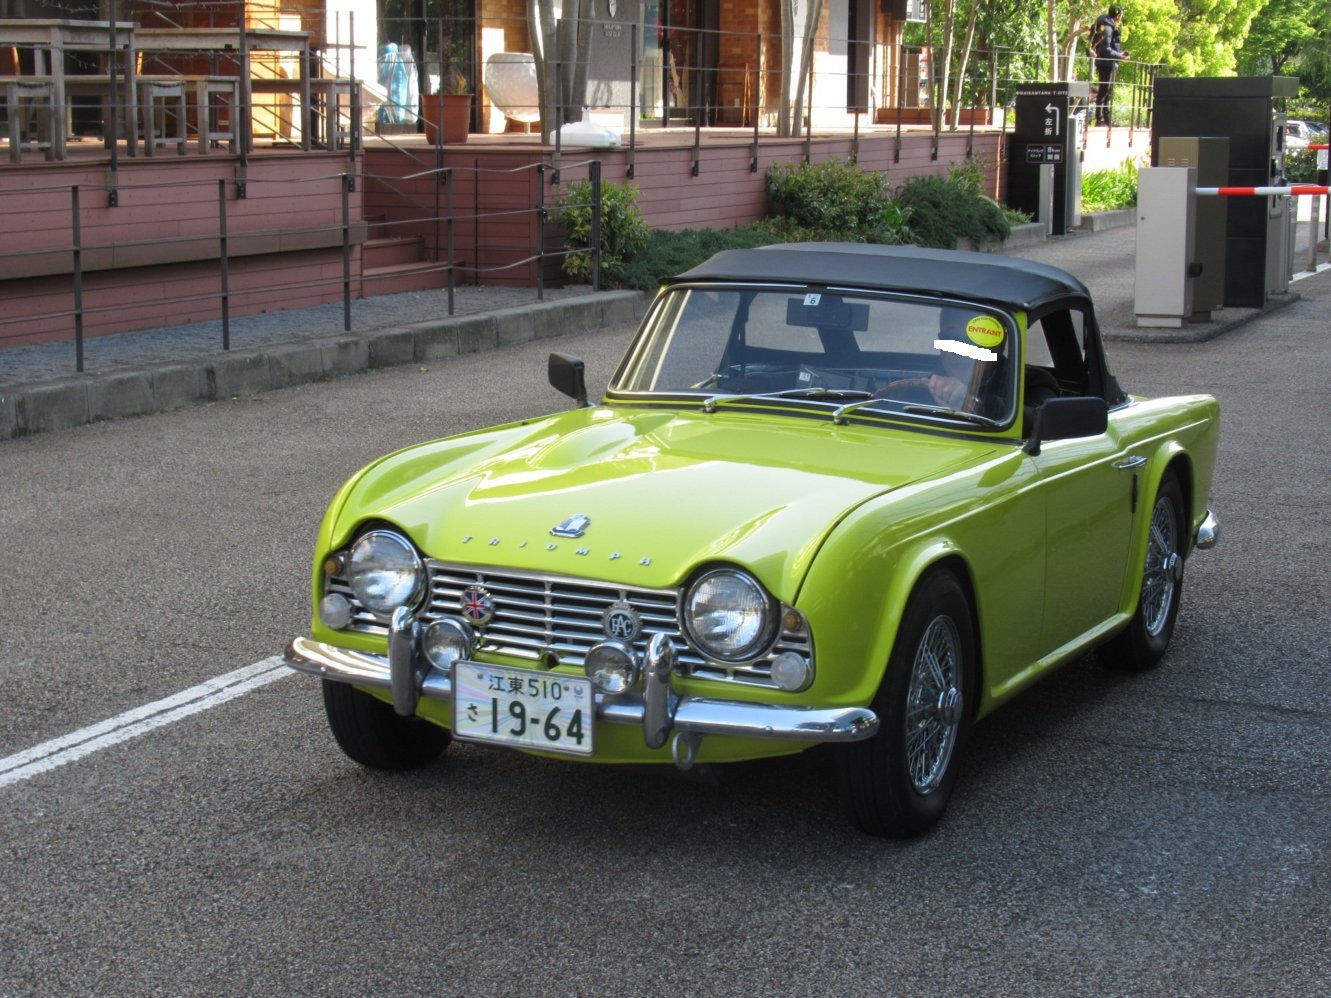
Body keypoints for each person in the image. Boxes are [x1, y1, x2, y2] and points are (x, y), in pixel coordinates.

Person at [1090, 5, 1129, 127]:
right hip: (1105, 63)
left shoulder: (1109, 25)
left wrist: (1120, 54)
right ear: (1118, 15)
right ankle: (1100, 119)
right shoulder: (1107, 27)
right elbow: (1105, 49)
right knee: (1104, 91)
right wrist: (1120, 56)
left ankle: (1106, 119)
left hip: (1109, 63)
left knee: (1108, 92)